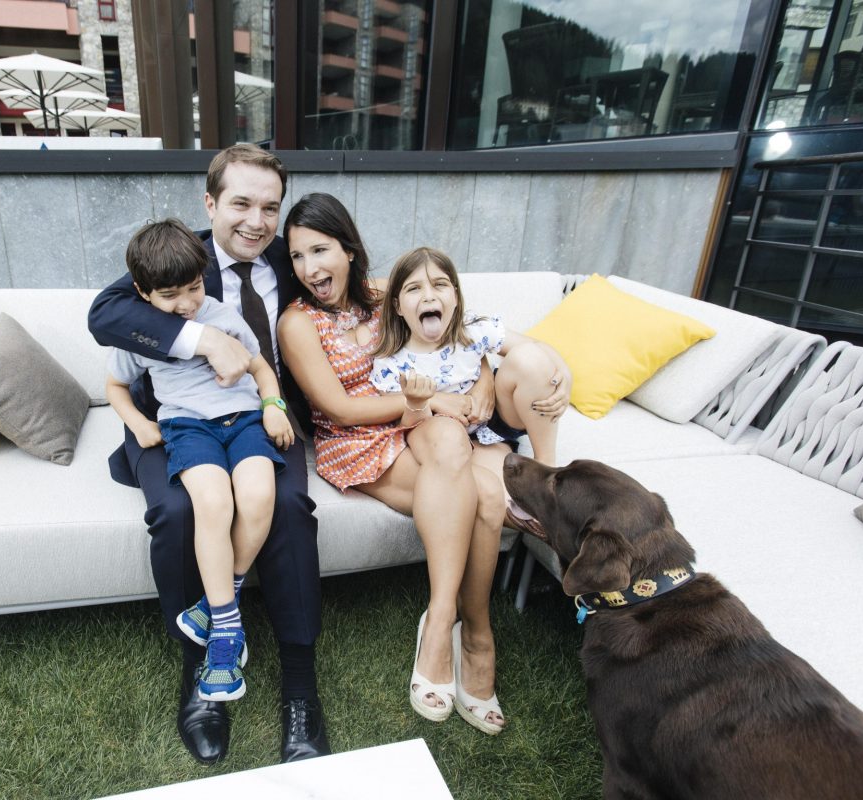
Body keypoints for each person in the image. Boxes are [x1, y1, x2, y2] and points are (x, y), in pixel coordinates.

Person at [277, 193, 568, 735]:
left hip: (429, 422)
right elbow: (338, 408)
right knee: (480, 492)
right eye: (296, 257)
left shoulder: (386, 292)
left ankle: (467, 629)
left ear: (348, 248)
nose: (310, 268)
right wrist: (432, 403)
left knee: (460, 458)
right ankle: (453, 628)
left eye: (320, 250)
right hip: (361, 436)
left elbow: (462, 337)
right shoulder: (299, 322)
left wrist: (482, 381)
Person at [87, 145, 329, 765]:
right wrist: (202, 336)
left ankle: (299, 682)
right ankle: (203, 665)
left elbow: (350, 278)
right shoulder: (178, 258)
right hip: (176, 424)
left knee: (289, 504)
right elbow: (106, 313)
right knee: (177, 511)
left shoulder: (288, 256)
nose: (256, 220)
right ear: (210, 203)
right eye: (241, 203)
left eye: (269, 207)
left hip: (259, 415)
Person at [105, 219, 294, 703]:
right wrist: (139, 424)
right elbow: (115, 387)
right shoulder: (141, 336)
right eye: (171, 296)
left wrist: (273, 405)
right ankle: (228, 633)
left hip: (246, 420)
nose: (188, 303)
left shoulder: (223, 314)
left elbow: (258, 366)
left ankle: (214, 603)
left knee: (258, 496)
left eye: (193, 287)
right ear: (143, 294)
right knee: (213, 504)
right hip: (188, 427)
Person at [370, 246, 568, 470]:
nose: (428, 296)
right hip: (443, 440)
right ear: (398, 306)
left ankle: (547, 464)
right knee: (497, 490)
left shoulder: (473, 330)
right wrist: (417, 402)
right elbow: (406, 428)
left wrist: (564, 374)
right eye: (414, 288)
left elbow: (537, 346)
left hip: (494, 423)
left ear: (455, 296)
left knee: (530, 357)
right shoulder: (390, 364)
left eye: (440, 284)